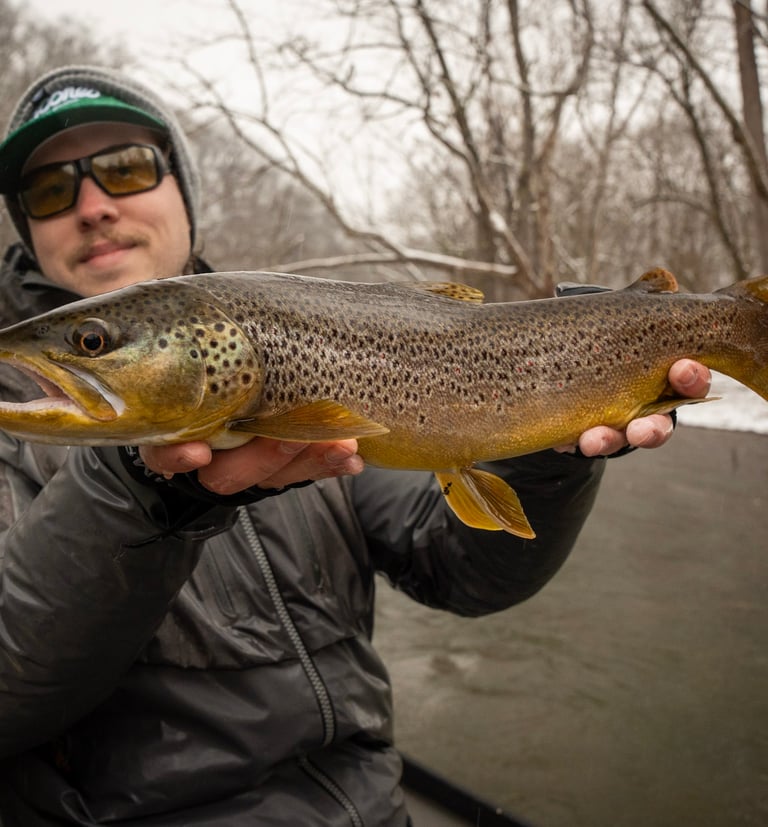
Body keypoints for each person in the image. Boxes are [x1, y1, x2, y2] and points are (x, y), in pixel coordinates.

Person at [0, 65, 711, 827]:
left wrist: (542, 441)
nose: (93, 206)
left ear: (182, 189)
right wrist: (137, 491)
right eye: (49, 191)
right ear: (26, 225)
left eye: (124, 167)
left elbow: (464, 570)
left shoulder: (309, 340)